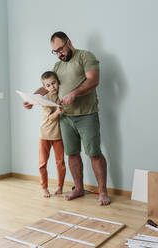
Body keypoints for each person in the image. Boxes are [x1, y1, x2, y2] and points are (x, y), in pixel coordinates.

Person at [24, 31, 111, 205]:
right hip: (65, 118)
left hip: (87, 114)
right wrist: (32, 99)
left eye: (60, 49)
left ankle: (103, 192)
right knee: (72, 154)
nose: (59, 54)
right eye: (55, 51)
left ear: (69, 42)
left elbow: (93, 80)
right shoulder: (57, 66)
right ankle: (78, 188)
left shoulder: (85, 56)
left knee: (94, 154)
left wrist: (74, 93)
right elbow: (47, 86)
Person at [24, 71, 66, 198]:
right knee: (43, 163)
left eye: (53, 83)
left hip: (58, 135)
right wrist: (58, 111)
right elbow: (50, 119)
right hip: (45, 134)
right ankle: (44, 188)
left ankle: (60, 186)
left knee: (60, 163)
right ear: (44, 87)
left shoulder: (62, 93)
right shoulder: (44, 98)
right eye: (48, 85)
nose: (52, 87)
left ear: (58, 82)